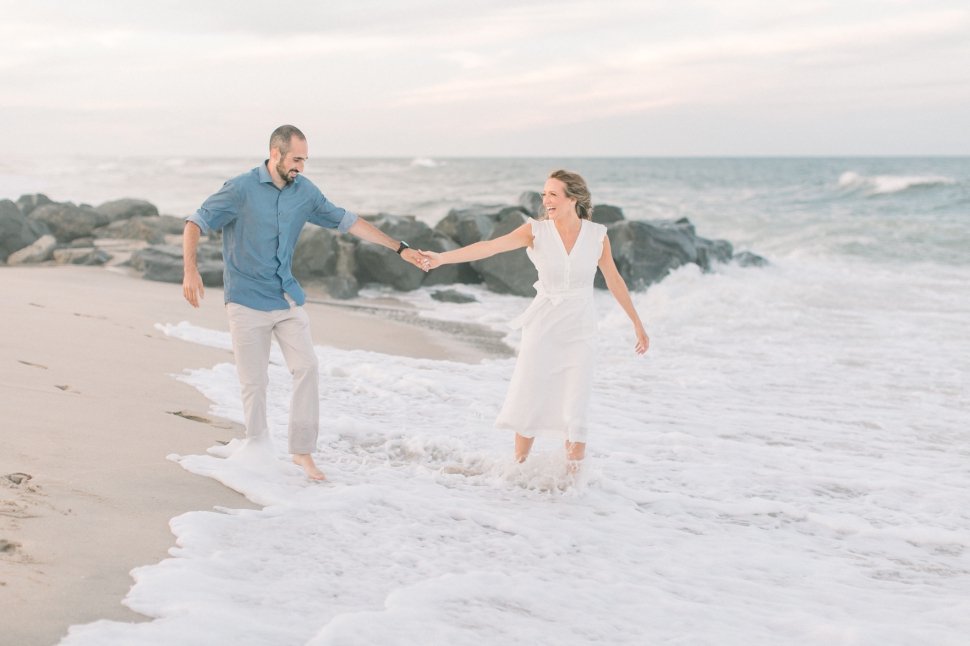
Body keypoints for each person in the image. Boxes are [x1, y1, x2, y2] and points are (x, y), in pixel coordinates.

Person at [182, 125, 429, 480]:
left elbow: (349, 221)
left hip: (287, 298)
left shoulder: (305, 192)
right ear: (276, 153)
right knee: (254, 382)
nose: (301, 166)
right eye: (296, 159)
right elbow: (195, 222)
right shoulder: (240, 189)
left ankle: (301, 452)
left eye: (305, 159)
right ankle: (256, 447)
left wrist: (401, 248)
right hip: (246, 300)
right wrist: (190, 271)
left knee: (307, 368)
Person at [422, 170, 648, 468]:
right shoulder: (535, 232)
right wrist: (441, 258)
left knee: (576, 405)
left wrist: (637, 322)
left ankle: (573, 484)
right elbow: (488, 247)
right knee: (531, 395)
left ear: (573, 199)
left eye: (553, 194)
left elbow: (614, 280)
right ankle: (517, 471)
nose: (546, 200)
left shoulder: (597, 236)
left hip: (580, 328)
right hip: (543, 326)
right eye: (544, 194)